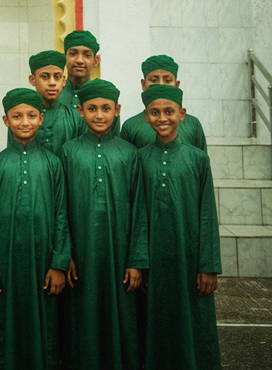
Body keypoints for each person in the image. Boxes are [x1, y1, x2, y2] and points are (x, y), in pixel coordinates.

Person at [0, 88, 71, 370]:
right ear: (5, 120)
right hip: (5, 263)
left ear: (41, 118)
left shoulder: (53, 164)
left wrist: (59, 263)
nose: (24, 122)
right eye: (17, 116)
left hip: (44, 263)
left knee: (45, 325)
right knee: (7, 323)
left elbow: (61, 215)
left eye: (31, 116)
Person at [61, 78, 148, 370]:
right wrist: (66, 255)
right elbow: (61, 208)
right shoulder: (69, 152)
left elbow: (139, 211)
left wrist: (136, 260)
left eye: (106, 108)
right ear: (80, 111)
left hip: (120, 253)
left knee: (121, 315)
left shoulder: (129, 153)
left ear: (117, 110)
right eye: (92, 108)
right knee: (81, 316)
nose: (99, 114)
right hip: (81, 255)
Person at [139, 84, 222, 370]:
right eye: (155, 112)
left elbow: (207, 213)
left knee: (192, 320)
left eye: (169, 111)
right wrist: (139, 261)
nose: (162, 118)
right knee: (156, 319)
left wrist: (208, 265)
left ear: (182, 114)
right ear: (147, 117)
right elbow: (137, 213)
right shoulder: (141, 158)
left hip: (190, 257)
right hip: (154, 257)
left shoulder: (198, 159)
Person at [120, 54, 207, 151]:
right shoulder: (131, 126)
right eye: (154, 80)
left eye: (167, 80)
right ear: (143, 84)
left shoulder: (192, 124)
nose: (160, 85)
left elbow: (201, 161)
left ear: (177, 84)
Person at [7, 50, 79, 155]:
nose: (52, 83)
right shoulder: (21, 118)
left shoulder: (75, 117)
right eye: (45, 77)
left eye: (57, 77)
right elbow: (12, 155)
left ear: (63, 81)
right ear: (32, 80)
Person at [61, 29, 120, 134]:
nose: (79, 60)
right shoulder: (53, 95)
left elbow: (113, 141)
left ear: (95, 60)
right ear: (64, 57)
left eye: (87, 55)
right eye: (73, 54)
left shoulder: (106, 96)